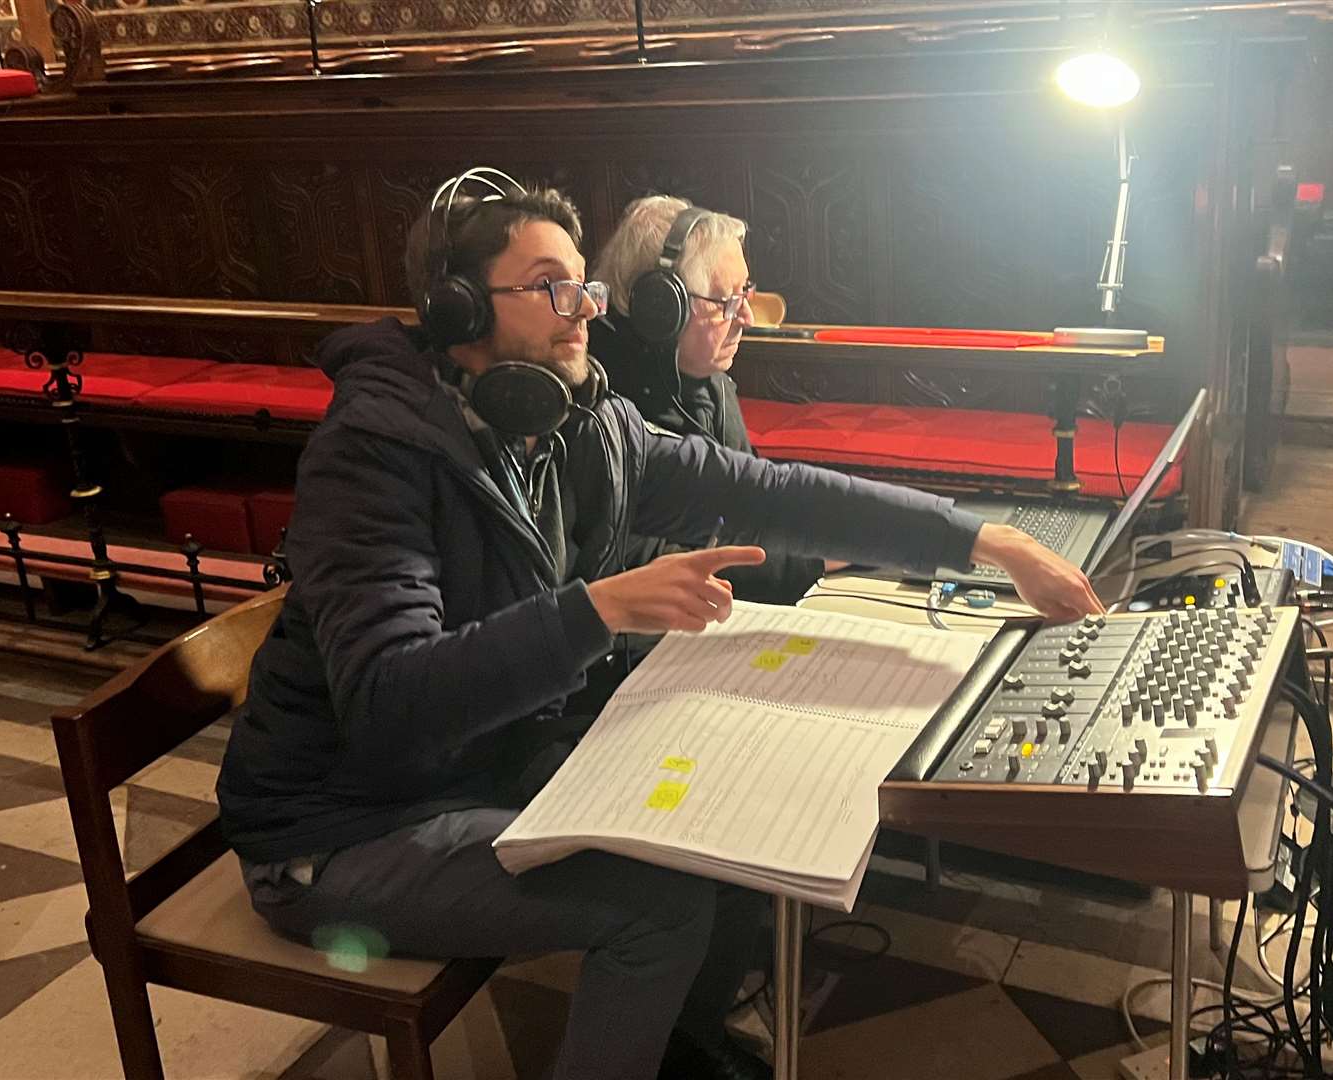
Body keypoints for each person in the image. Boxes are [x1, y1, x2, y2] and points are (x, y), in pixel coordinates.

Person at [216, 167, 1102, 1080]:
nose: (584, 310)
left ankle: (689, 1050)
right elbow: (392, 703)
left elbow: (772, 493)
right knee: (658, 905)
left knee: (727, 808)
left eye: (583, 286)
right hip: (342, 828)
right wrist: (594, 610)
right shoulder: (373, 456)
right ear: (456, 311)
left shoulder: (581, 424)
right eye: (549, 287)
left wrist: (984, 541)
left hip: (478, 763)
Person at [590, 195, 825, 605]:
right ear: (661, 307)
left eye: (746, 292)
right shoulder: (605, 410)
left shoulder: (710, 384)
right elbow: (669, 568)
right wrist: (816, 557)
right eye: (727, 301)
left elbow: (754, 508)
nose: (747, 318)